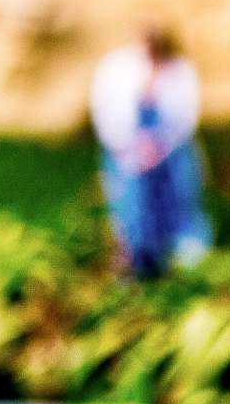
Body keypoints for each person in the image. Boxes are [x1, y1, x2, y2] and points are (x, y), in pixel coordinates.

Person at [90, 28, 212, 277]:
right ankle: (138, 261)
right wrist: (127, 145)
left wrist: (161, 145)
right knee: (132, 206)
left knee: (177, 199)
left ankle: (183, 261)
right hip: (126, 151)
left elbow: (185, 116)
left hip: (171, 152)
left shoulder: (179, 70)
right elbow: (106, 109)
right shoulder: (118, 67)